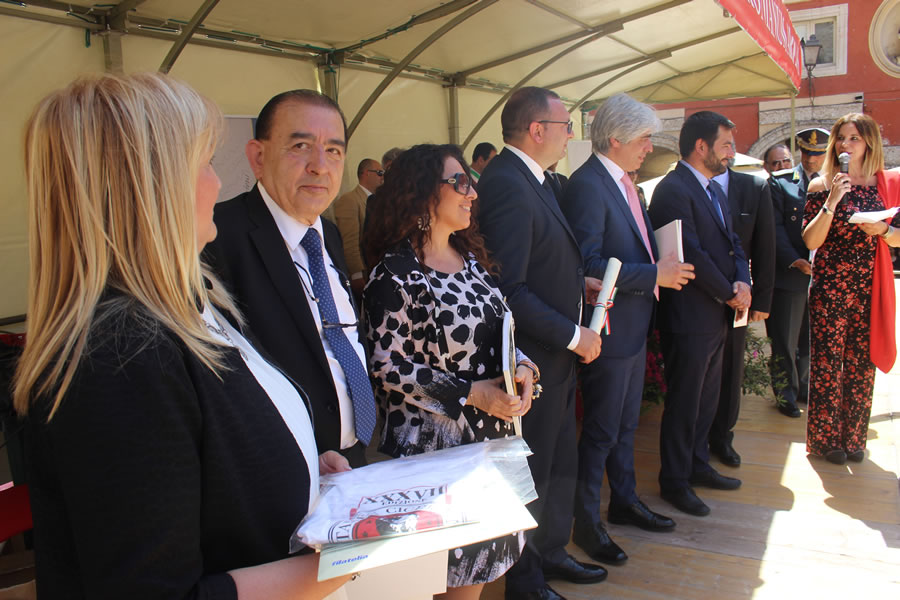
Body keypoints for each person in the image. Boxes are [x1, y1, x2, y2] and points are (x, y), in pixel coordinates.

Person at [14, 73, 351, 599]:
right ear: (151, 186)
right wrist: (342, 559)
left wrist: (302, 461)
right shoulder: (121, 355)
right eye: (205, 162)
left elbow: (212, 454)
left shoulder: (191, 303)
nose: (217, 183)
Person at [363, 144, 536, 599]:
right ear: (423, 192)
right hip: (434, 458)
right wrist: (470, 393)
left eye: (470, 183)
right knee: (442, 581)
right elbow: (387, 366)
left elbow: (499, 333)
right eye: (460, 182)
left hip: (488, 448)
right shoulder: (394, 274)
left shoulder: (471, 260)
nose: (471, 192)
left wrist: (523, 367)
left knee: (476, 577)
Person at [477, 86, 607, 600]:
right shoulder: (508, 183)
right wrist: (575, 334)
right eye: (565, 126)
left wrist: (580, 286)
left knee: (558, 464)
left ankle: (551, 553)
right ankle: (525, 581)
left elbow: (543, 262)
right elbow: (509, 288)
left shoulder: (536, 178)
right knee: (532, 473)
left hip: (555, 357)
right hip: (533, 360)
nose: (571, 135)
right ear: (537, 130)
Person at [205, 90, 376, 467]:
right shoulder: (216, 238)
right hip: (279, 470)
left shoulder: (327, 235)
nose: (320, 166)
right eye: (301, 146)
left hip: (351, 458)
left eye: (333, 150)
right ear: (258, 157)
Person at [562, 93, 693, 567]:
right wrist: (655, 273)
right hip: (611, 328)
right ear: (615, 138)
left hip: (631, 326)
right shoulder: (588, 185)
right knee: (600, 431)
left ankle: (624, 500)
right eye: (643, 139)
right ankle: (585, 523)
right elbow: (588, 264)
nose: (649, 147)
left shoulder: (622, 182)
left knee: (624, 426)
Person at [647, 111, 750, 517]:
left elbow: (733, 243)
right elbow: (691, 252)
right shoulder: (673, 190)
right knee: (685, 403)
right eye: (725, 145)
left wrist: (743, 283)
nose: (732, 153)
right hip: (689, 318)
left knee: (707, 400)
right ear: (700, 146)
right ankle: (674, 482)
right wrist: (729, 293)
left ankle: (698, 465)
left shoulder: (714, 190)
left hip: (717, 314)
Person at [801, 113, 900, 465]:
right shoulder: (822, 183)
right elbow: (811, 240)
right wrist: (832, 200)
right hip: (831, 284)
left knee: (861, 362)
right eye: (841, 138)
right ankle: (825, 441)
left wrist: (884, 231)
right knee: (828, 362)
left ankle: (854, 437)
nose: (845, 144)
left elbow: (898, 237)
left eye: (854, 138)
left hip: (870, 284)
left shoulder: (886, 184)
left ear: (869, 142)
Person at [708, 153, 775, 465]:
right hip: (698, 296)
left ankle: (723, 437)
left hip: (741, 298)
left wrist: (762, 299)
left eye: (730, 144)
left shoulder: (754, 187)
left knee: (731, 368)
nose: (728, 150)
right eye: (723, 143)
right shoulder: (687, 187)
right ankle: (698, 438)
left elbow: (765, 245)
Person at [765, 131, 827, 419]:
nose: (812, 159)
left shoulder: (834, 182)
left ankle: (804, 387)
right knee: (785, 340)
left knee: (812, 339)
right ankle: (785, 393)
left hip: (824, 276)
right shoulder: (781, 182)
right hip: (791, 273)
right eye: (807, 153)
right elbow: (775, 229)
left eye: (818, 154)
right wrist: (795, 260)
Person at [333, 158, 384, 299]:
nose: (383, 177)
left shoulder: (378, 200)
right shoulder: (349, 200)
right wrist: (356, 274)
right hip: (363, 273)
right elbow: (349, 241)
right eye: (380, 173)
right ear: (366, 173)